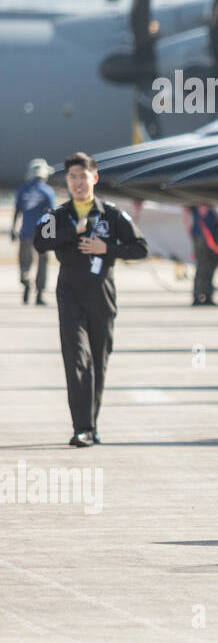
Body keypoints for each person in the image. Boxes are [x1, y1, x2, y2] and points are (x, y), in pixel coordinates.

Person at [33, 152, 148, 447]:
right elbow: (40, 241)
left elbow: (140, 248)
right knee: (77, 361)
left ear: (94, 178)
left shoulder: (111, 213)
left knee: (98, 361)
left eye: (83, 176)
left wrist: (105, 248)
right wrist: (74, 231)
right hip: (70, 295)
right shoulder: (56, 215)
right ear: (67, 181)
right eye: (72, 177)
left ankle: (92, 424)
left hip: (102, 295)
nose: (78, 182)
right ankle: (81, 427)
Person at [11, 158, 56, 305]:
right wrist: (52, 234)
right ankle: (39, 294)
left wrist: (13, 228)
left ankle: (25, 279)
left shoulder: (23, 189)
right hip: (42, 232)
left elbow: (17, 211)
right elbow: (50, 214)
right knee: (42, 262)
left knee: (25, 261)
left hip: (26, 231)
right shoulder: (48, 192)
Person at [187, 203, 218, 306]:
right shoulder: (195, 213)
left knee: (210, 271)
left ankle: (208, 297)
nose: (204, 208)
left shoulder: (213, 213)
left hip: (213, 244)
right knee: (201, 271)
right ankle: (197, 297)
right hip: (202, 242)